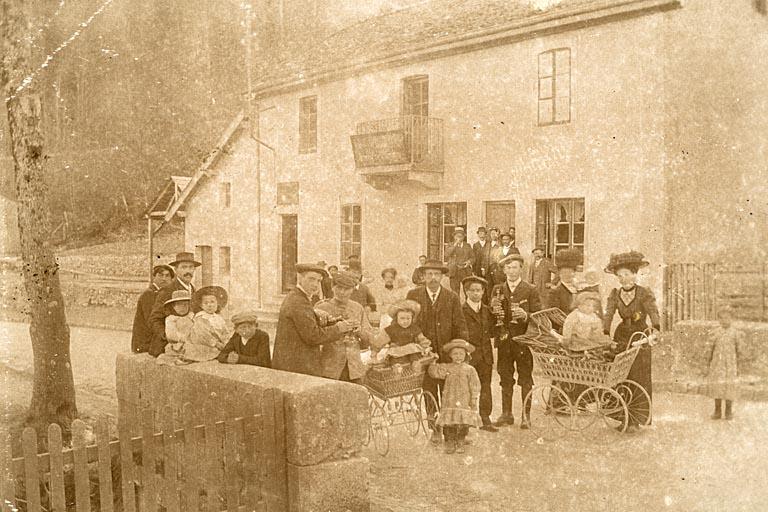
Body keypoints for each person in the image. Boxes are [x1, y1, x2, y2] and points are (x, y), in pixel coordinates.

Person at [406, 259, 468, 445]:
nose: (433, 278)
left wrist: (459, 348)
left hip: (447, 354)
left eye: (437, 274)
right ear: (423, 276)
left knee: (450, 393)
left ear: (442, 277)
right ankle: (435, 429)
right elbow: (407, 323)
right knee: (429, 391)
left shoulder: (452, 297)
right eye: (429, 274)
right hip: (424, 354)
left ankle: (451, 429)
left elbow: (460, 324)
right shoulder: (413, 295)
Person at [603, 250, 660, 431]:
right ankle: (622, 417)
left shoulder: (644, 293)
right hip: (622, 336)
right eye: (620, 276)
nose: (623, 279)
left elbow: (653, 312)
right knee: (620, 374)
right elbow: (609, 313)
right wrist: (606, 331)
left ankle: (636, 418)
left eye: (626, 274)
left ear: (634, 274)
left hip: (639, 335)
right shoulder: (615, 294)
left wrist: (655, 328)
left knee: (638, 375)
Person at [272, 263, 356, 376]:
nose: (315, 284)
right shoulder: (299, 301)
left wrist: (328, 321)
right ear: (300, 278)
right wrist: (338, 328)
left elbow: (304, 326)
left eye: (318, 281)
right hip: (297, 367)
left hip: (292, 364)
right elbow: (313, 336)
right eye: (311, 279)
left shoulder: (299, 297)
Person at [490, 253, 541, 429]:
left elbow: (539, 316)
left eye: (515, 267)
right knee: (505, 376)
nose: (512, 271)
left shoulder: (530, 289)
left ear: (521, 269)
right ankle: (506, 414)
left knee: (526, 378)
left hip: (523, 342)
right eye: (508, 268)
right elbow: (493, 312)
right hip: (504, 341)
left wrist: (526, 315)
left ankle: (525, 416)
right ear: (504, 270)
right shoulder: (497, 289)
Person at [315, 271, 372, 383]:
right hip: (330, 367)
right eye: (339, 287)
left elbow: (369, 337)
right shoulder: (321, 308)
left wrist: (359, 331)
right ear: (332, 287)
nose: (342, 292)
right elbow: (315, 336)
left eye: (347, 288)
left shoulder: (358, 308)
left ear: (352, 289)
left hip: (354, 367)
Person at [428, 339, 481, 454]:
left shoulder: (470, 369)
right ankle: (450, 441)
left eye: (461, 354)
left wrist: (473, 398)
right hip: (450, 400)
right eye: (455, 354)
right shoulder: (447, 367)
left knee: (463, 422)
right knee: (450, 422)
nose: (458, 357)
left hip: (464, 400)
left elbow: (475, 385)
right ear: (450, 355)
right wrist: (433, 362)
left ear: (466, 355)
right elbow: (434, 372)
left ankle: (460, 441)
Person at [461, 276, 498, 432]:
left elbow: (492, 331)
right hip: (469, 355)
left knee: (486, 386)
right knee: (466, 388)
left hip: (485, 355)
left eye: (479, 290)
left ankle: (485, 418)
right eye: (472, 290)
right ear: (466, 292)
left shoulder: (487, 310)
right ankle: (465, 421)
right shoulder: (461, 310)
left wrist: (498, 318)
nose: (476, 293)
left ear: (483, 292)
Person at [148, 252, 200, 357]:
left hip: (189, 343)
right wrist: (168, 336)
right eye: (184, 267)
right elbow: (154, 319)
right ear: (176, 270)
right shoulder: (167, 290)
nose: (188, 271)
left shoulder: (193, 289)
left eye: (191, 267)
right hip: (167, 345)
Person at [706, 307, 743, 420]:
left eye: (727, 318)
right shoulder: (715, 333)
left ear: (732, 319)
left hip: (731, 365)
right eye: (722, 318)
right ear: (718, 320)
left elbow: (739, 350)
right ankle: (717, 411)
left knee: (729, 388)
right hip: (718, 365)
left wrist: (739, 364)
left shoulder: (735, 333)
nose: (724, 321)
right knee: (718, 387)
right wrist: (707, 361)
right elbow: (709, 348)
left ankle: (728, 411)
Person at [372, 300, 431, 366]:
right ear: (396, 318)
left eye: (408, 318)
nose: (405, 321)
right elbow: (379, 342)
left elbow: (422, 339)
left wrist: (427, 347)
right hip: (397, 352)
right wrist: (374, 355)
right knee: (396, 360)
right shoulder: (391, 329)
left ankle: (415, 365)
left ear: (412, 318)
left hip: (411, 351)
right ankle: (397, 367)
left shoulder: (415, 329)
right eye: (402, 318)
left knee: (415, 356)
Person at [131, 264, 174, 353]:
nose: (164, 279)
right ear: (154, 277)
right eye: (160, 275)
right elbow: (151, 321)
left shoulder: (165, 293)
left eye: (167, 276)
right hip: (145, 342)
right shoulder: (149, 294)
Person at [185, 286, 231, 362]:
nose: (209, 305)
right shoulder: (201, 317)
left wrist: (226, 342)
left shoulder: (218, 318)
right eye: (206, 303)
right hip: (205, 344)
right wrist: (216, 343)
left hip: (219, 344)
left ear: (217, 303)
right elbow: (202, 335)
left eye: (212, 302)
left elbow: (225, 332)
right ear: (201, 305)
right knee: (211, 353)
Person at [156, 290, 195, 365]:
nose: (182, 308)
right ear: (173, 306)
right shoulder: (171, 319)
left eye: (185, 305)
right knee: (181, 351)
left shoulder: (191, 316)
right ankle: (182, 358)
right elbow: (171, 334)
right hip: (178, 344)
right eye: (179, 305)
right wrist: (183, 338)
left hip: (192, 341)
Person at [445, 227, 474, 295]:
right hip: (454, 271)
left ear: (463, 237)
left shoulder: (467, 245)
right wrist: (455, 245)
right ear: (454, 237)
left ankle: (468, 305)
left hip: (465, 271)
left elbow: (473, 258)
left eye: (461, 236)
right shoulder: (450, 245)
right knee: (455, 292)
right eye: (457, 236)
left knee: (467, 290)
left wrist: (469, 262)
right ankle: (456, 305)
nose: (459, 238)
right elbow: (447, 254)